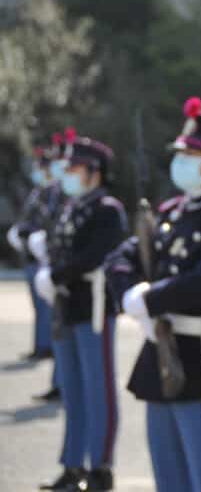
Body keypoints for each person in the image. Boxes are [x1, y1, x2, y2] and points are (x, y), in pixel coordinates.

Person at [104, 97, 201, 492]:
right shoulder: (173, 212)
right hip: (161, 355)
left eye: (193, 155)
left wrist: (151, 299)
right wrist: (129, 295)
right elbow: (121, 259)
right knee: (169, 479)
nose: (182, 162)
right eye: (182, 153)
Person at [36, 130, 125, 492]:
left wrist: (55, 273)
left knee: (98, 389)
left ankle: (100, 467)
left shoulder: (107, 210)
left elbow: (94, 255)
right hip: (67, 304)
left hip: (93, 306)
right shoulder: (71, 206)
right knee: (72, 390)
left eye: (76, 167)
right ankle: (72, 466)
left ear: (95, 172)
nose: (69, 173)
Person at [7, 135, 65, 370]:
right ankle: (41, 346)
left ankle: (45, 347)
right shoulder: (40, 192)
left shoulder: (56, 192)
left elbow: (48, 223)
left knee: (48, 312)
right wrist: (21, 233)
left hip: (47, 259)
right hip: (33, 257)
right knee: (40, 309)